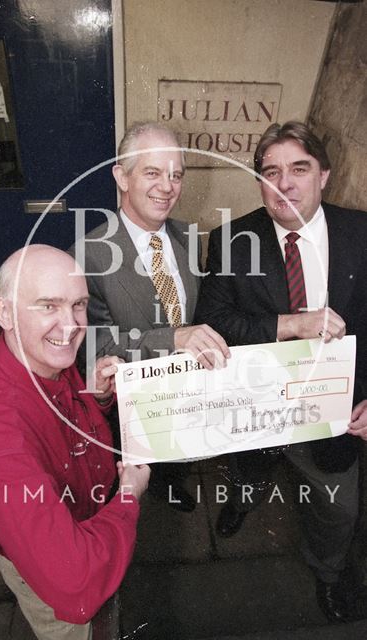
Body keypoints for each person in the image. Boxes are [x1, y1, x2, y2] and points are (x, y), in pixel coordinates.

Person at [195, 121, 367, 622]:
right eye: (271, 173)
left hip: (335, 406)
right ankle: (241, 503)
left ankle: (329, 571)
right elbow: (216, 320)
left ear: (324, 176)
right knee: (247, 468)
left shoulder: (360, 233)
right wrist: (292, 324)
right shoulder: (231, 239)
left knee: (338, 508)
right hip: (257, 402)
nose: (285, 184)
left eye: (299, 169)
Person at [0, 245, 150, 640]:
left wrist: (96, 396)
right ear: (4, 313)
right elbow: (76, 579)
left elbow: (63, 420)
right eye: (48, 306)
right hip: (52, 569)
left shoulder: (42, 358)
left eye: (79, 305)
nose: (70, 325)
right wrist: (129, 497)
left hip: (83, 512)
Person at [71, 121, 229, 513]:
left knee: (177, 463)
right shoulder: (86, 255)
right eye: (153, 172)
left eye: (176, 175)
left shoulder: (189, 236)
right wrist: (173, 338)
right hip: (133, 409)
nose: (167, 186)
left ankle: (172, 480)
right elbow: (96, 346)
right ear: (121, 177)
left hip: (189, 397)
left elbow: (198, 311)